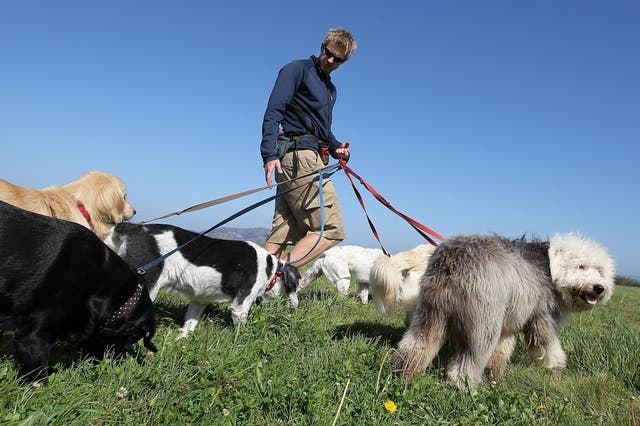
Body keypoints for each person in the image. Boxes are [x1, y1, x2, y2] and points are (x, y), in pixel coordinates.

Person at [260, 28, 357, 267]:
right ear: (322, 45)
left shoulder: (330, 90)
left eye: (338, 59)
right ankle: (279, 278)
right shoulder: (297, 69)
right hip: (299, 159)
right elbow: (273, 111)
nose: (330, 60)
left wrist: (336, 148)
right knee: (332, 229)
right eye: (328, 52)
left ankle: (253, 289)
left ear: (344, 62)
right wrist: (269, 154)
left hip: (307, 157)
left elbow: (321, 130)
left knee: (282, 232)